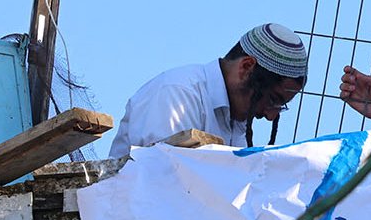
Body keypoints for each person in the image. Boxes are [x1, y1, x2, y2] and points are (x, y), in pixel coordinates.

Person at [110, 23, 308, 155]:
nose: (271, 116)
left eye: (281, 107)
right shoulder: (178, 93)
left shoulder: (235, 121)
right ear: (246, 67)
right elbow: (162, 184)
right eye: (273, 99)